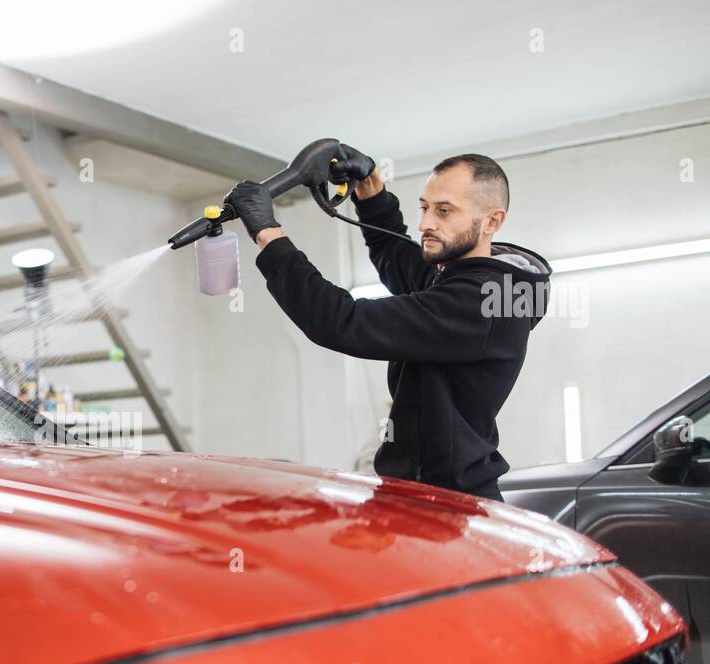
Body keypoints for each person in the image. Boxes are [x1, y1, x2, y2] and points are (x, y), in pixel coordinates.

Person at [224, 149, 551, 501]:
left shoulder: (477, 305)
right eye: (424, 207)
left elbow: (339, 321)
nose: (426, 223)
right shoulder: (481, 284)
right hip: (429, 493)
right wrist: (371, 191)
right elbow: (402, 264)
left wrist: (268, 234)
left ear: (491, 222)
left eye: (444, 211)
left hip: (445, 506)